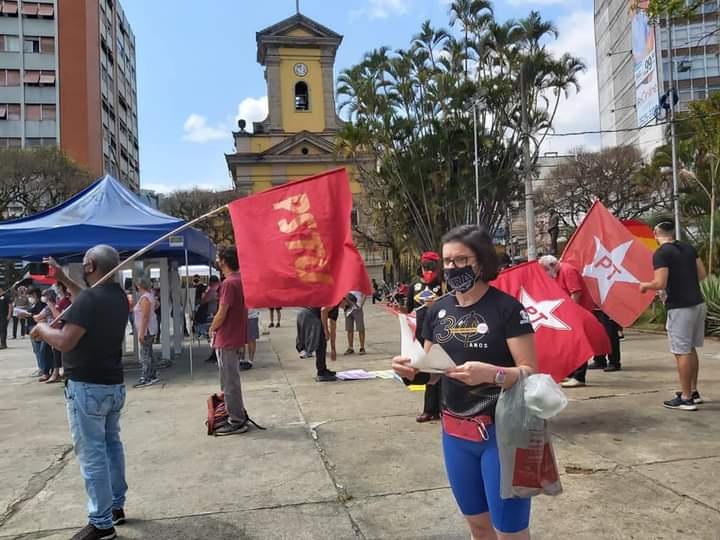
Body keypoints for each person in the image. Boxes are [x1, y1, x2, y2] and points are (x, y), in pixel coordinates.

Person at [393, 224, 537, 540]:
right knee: (477, 524)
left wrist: (493, 374)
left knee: (510, 530)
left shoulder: (507, 309)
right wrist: (410, 372)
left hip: (502, 434)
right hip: (455, 432)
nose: (450, 268)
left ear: (481, 261)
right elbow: (433, 371)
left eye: (460, 260)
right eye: (447, 261)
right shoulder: (438, 310)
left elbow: (530, 373)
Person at [30, 246, 129, 540]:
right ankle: (115, 506)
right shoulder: (117, 297)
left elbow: (65, 341)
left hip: (87, 386)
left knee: (93, 454)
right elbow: (86, 299)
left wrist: (43, 329)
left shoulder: (90, 298)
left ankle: (101, 523)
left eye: (84, 265)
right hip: (112, 384)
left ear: (90, 265)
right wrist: (63, 279)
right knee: (111, 446)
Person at [640, 221, 707, 411]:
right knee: (691, 348)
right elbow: (701, 274)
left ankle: (686, 398)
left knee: (681, 351)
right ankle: (693, 391)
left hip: (679, 307)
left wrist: (645, 285)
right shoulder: (688, 248)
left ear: (655, 233)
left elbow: (659, 282)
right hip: (697, 303)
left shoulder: (661, 253)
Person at [539, 255, 622, 387]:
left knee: (578, 344)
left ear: (552, 265)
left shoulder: (567, 270)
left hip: (579, 312)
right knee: (569, 345)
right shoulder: (557, 273)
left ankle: (579, 376)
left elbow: (576, 292)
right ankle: (571, 373)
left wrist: (571, 312)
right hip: (569, 313)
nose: (546, 273)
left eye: (545, 269)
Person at [209, 245, 251, 435]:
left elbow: (222, 312)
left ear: (224, 261)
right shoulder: (241, 281)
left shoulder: (228, 284)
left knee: (228, 381)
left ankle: (236, 419)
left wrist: (213, 327)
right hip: (236, 336)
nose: (217, 261)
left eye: (219, 258)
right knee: (231, 379)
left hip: (226, 338)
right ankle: (235, 413)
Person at [405, 251, 444, 423]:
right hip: (421, 332)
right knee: (428, 371)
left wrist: (437, 302)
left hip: (441, 330)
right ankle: (430, 409)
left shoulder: (443, 284)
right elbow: (408, 308)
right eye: (426, 267)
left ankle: (444, 408)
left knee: (443, 370)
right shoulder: (414, 286)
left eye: (432, 267)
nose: (428, 271)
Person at [296, 306, 337, 382]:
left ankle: (323, 369)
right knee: (320, 343)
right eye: (346, 306)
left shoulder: (335, 308)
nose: (345, 308)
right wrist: (325, 330)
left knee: (321, 343)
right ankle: (321, 373)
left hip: (304, 314)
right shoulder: (335, 302)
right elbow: (323, 310)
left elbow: (333, 328)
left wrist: (333, 349)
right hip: (309, 316)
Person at [132, 277, 160, 388]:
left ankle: (146, 376)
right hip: (151, 328)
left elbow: (145, 317)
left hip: (146, 330)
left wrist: (141, 332)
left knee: (144, 354)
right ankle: (152, 374)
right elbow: (156, 305)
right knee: (149, 352)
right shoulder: (150, 296)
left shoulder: (144, 298)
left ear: (139, 286)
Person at [344, 291, 366, 355]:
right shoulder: (346, 283)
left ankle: (362, 347)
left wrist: (361, 304)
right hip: (348, 308)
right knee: (349, 329)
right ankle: (350, 347)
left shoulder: (359, 283)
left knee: (360, 328)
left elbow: (364, 293)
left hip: (357, 307)